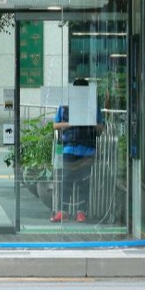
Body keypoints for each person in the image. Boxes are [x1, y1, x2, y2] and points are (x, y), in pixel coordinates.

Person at [50, 78, 102, 223]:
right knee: (66, 181)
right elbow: (55, 125)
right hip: (69, 149)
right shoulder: (65, 106)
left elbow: (101, 127)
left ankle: (81, 212)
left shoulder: (93, 106)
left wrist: (90, 122)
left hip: (87, 149)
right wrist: (72, 122)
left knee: (84, 182)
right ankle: (63, 211)